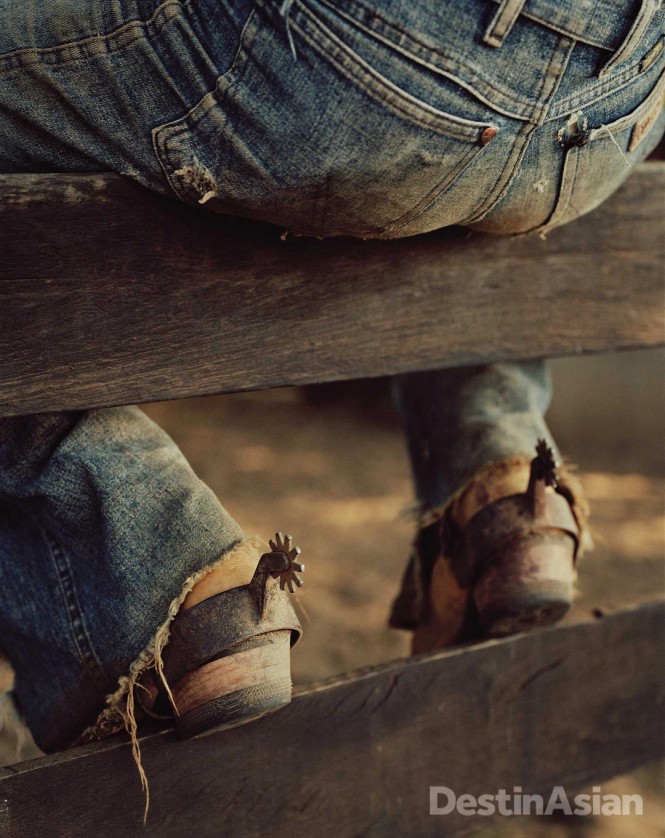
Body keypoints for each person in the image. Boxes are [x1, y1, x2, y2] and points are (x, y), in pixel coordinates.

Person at [1, 0, 663, 764]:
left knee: (408, 104)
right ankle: (504, 481)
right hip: (607, 111)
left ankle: (153, 555)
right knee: (453, 145)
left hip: (356, 72)